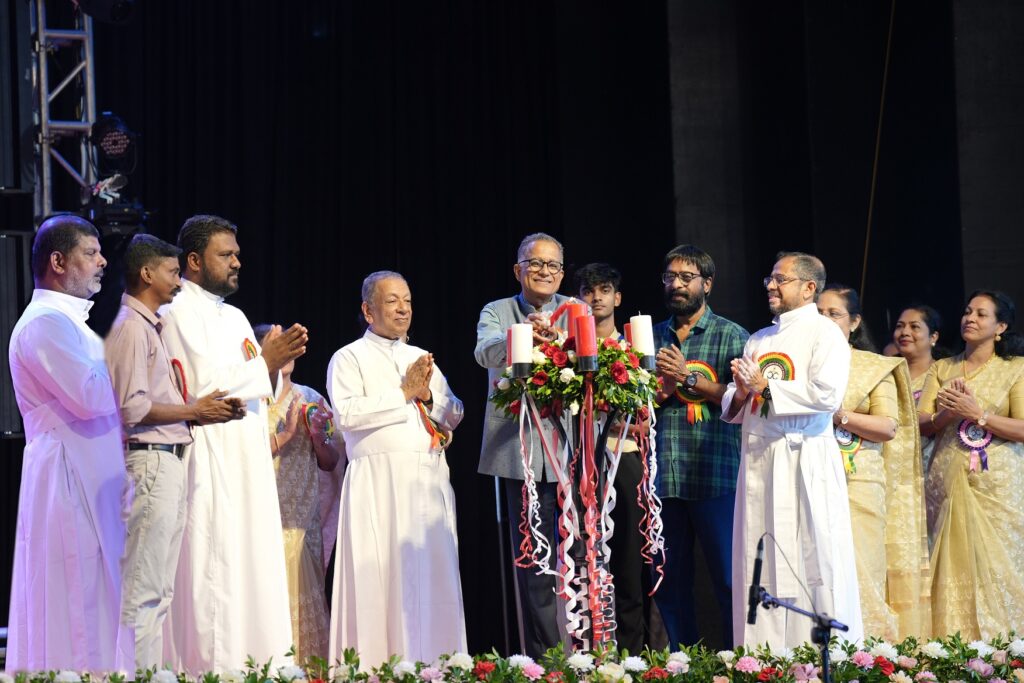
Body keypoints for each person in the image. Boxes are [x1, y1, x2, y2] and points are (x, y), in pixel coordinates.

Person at [158, 214, 309, 672]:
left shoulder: (236, 316)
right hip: (212, 458)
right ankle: (214, 670)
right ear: (194, 260)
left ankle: (259, 666)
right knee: (216, 568)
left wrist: (269, 364)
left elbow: (255, 383)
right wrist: (265, 362)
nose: (237, 262)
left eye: (237, 254)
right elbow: (201, 388)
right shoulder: (176, 312)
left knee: (252, 565)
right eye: (226, 255)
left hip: (248, 460)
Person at [105, 234, 246, 671]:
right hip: (149, 460)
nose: (180, 282)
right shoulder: (131, 327)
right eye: (172, 273)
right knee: (144, 590)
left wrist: (203, 410)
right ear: (147, 274)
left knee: (159, 591)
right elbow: (131, 408)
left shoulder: (150, 326)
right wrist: (194, 411)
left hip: (166, 459)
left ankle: (145, 673)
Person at [6, 215, 131, 671]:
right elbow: (91, 395)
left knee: (99, 593)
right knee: (77, 596)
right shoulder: (43, 324)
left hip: (90, 473)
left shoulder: (71, 324)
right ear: (58, 262)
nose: (103, 262)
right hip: (66, 478)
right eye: (90, 253)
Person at [722, 251, 862, 648]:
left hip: (804, 458)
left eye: (779, 279)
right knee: (760, 551)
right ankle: (762, 654)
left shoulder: (825, 334)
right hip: (760, 460)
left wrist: (766, 387)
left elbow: (827, 395)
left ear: (808, 287)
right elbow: (735, 403)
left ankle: (818, 652)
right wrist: (743, 391)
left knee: (811, 552)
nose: (770, 285)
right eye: (769, 278)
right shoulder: (759, 338)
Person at [328, 271, 465, 667]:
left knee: (431, 576)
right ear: (368, 310)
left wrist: (427, 395)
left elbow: (455, 412)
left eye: (407, 300)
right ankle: (376, 666)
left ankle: (438, 665)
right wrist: (403, 393)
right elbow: (347, 415)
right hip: (378, 483)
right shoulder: (349, 357)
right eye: (392, 301)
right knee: (380, 575)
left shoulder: (421, 358)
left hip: (426, 480)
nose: (403, 308)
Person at [475, 233, 570, 657]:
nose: (545, 272)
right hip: (520, 452)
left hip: (571, 450)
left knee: (581, 554)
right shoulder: (498, 311)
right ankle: (547, 660)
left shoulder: (576, 309)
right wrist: (522, 336)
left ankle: (587, 652)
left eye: (553, 265)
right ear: (518, 270)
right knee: (534, 562)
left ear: (562, 273)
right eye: (536, 264)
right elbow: (485, 353)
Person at [650, 245, 748, 649]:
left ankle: (738, 661)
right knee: (669, 581)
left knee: (728, 579)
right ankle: (682, 662)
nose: (676, 284)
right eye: (670, 277)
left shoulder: (732, 335)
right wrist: (659, 390)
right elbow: (635, 402)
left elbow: (742, 400)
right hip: (662, 479)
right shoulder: (649, 335)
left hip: (715, 475)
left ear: (707, 284)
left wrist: (688, 378)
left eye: (686, 277)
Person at [818, 285, 929, 641]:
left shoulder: (873, 366)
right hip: (812, 480)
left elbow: (887, 427)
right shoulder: (796, 366)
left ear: (854, 322)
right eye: (818, 314)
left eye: (834, 314)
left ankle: (867, 654)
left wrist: (839, 416)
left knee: (861, 569)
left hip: (860, 483)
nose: (824, 321)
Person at [919, 290, 1024, 639]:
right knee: (952, 562)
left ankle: (1006, 646)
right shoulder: (942, 368)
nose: (970, 318)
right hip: (946, 477)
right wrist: (948, 414)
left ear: (1000, 327)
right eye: (967, 312)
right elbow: (921, 423)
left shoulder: (1015, 368)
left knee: (998, 562)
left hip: (997, 484)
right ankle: (951, 643)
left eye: (981, 314)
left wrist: (978, 414)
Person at [254, 323, 344, 665]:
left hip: (301, 521)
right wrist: (286, 435)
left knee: (304, 603)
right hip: (259, 520)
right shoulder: (251, 402)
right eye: (276, 342)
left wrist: (319, 438)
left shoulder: (310, 399)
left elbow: (331, 462)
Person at [575, 262, 652, 652]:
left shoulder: (634, 348)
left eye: (604, 290)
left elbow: (646, 411)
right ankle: (586, 649)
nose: (597, 298)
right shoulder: (565, 351)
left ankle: (633, 652)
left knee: (628, 558)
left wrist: (635, 420)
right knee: (583, 555)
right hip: (579, 462)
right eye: (589, 291)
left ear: (618, 298)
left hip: (625, 458)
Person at [893, 305, 944, 478]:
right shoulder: (884, 371)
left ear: (933, 337)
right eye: (900, 326)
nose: (905, 332)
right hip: (888, 461)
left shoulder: (943, 374)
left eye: (914, 327)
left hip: (926, 466)